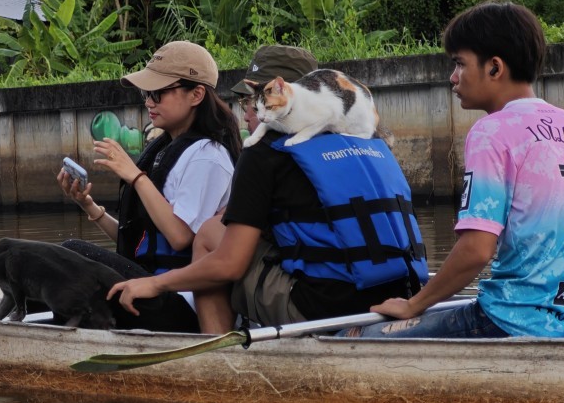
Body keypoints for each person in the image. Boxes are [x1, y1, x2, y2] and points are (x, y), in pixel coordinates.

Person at [339, 0, 564, 339]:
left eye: (460, 64)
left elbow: (477, 248)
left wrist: (414, 304)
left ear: (494, 67)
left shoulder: (494, 131)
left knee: (355, 336)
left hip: (511, 320)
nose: (452, 77)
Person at [109, 44, 429, 334]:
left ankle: (218, 356)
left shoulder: (264, 152)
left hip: (323, 308)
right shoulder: (367, 140)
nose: (248, 112)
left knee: (209, 236)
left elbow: (228, 264)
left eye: (252, 100)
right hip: (398, 295)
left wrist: (155, 283)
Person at [57, 40, 242, 332]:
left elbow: (180, 237)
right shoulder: (168, 149)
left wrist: (136, 176)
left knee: (69, 253)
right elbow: (142, 238)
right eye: (146, 93)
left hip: (180, 301)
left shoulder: (208, 156)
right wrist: (89, 206)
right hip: (148, 284)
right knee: (63, 259)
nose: (148, 102)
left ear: (196, 94)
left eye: (158, 93)